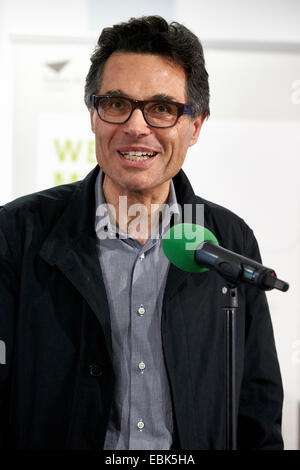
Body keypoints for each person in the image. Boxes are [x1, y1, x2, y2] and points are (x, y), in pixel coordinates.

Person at [0, 16, 283, 450]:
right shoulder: (16, 233)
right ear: (93, 116)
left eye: (162, 108)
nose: (136, 126)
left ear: (196, 125)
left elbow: (257, 405)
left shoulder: (229, 240)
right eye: (116, 104)